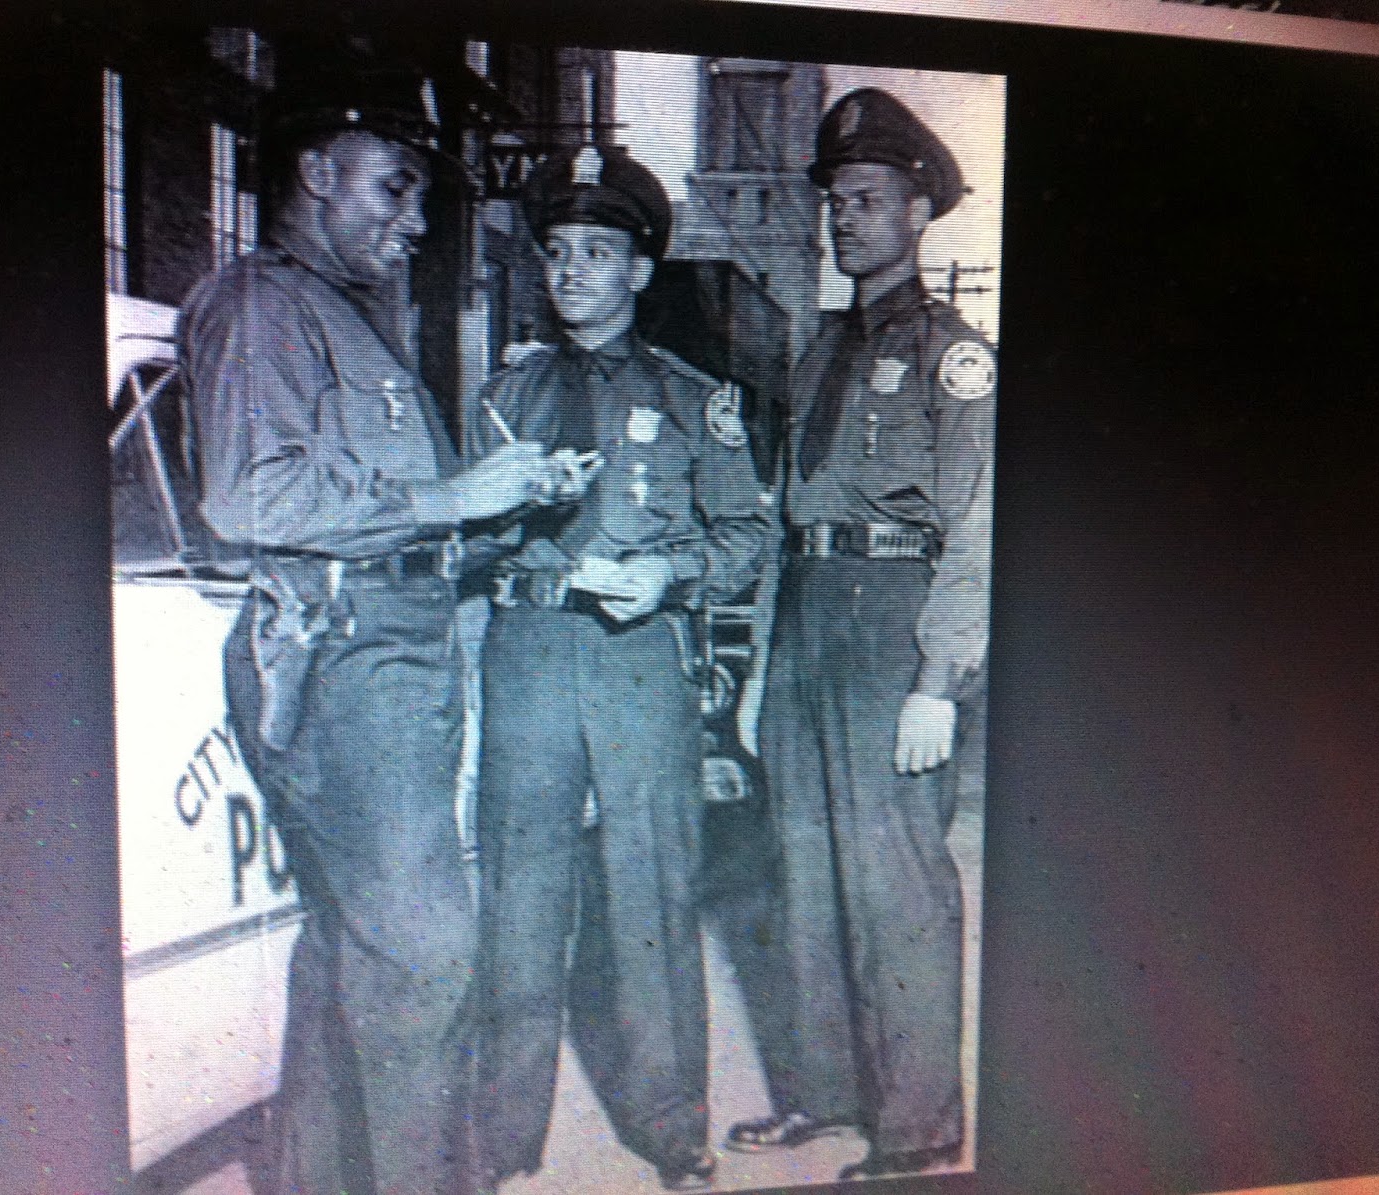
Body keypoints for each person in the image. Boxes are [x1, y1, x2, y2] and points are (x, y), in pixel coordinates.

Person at [177, 101, 566, 1195]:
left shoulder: (340, 315)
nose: (415, 221)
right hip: (347, 662)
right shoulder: (261, 303)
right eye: (394, 187)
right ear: (316, 171)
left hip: (385, 651)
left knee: (356, 951)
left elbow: (393, 522)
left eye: (421, 197)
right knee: (425, 957)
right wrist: (454, 495)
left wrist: (506, 506)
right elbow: (249, 496)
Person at [464, 143, 772, 1192]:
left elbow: (745, 538)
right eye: (556, 251)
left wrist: (667, 576)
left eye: (596, 252)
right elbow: (463, 543)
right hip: (529, 656)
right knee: (518, 897)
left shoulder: (693, 398)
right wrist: (505, 511)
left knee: (651, 894)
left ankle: (672, 1131)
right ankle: (500, 1140)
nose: (570, 271)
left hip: (638, 661)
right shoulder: (505, 395)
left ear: (639, 271)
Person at [729, 87, 995, 1182]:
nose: (845, 218)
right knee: (804, 868)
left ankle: (921, 1128)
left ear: (918, 212)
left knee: (896, 881)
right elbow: (781, 520)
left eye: (869, 199)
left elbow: (977, 525)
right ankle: (828, 1094)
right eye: (836, 200)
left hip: (892, 619)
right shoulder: (816, 349)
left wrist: (938, 677)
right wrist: (759, 666)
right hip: (804, 615)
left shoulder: (953, 355)